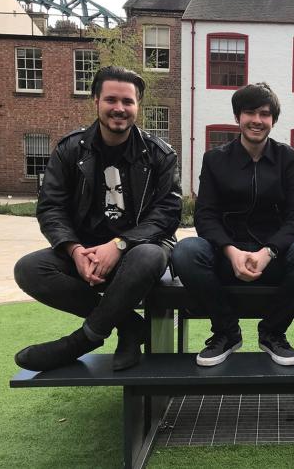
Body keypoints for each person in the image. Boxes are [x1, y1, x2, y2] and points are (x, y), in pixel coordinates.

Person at [13, 66, 182, 372]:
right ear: (96, 101)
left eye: (128, 102)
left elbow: (167, 214)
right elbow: (51, 207)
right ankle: (129, 325)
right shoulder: (69, 149)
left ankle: (84, 339)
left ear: (137, 106)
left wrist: (119, 244)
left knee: (147, 256)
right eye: (111, 100)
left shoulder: (160, 155)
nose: (119, 108)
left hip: (140, 247)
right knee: (29, 269)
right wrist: (74, 250)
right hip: (87, 250)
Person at [172, 83, 294, 367]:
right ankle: (227, 331)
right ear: (237, 117)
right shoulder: (216, 160)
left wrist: (268, 252)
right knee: (185, 252)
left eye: (265, 114)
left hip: (274, 258)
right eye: (249, 112)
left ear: (273, 120)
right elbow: (205, 215)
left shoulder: (286, 158)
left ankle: (272, 332)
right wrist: (231, 251)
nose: (257, 120)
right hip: (226, 257)